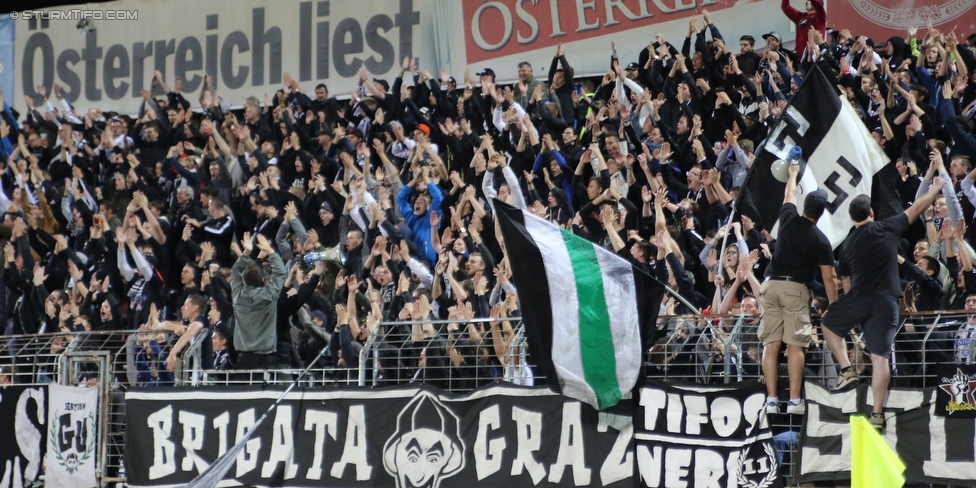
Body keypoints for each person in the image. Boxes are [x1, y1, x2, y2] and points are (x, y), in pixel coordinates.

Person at [821, 179, 944, 431]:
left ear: (852, 218)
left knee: (827, 325)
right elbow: (917, 208)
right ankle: (877, 413)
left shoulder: (846, 245)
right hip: (887, 302)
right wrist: (935, 188)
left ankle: (846, 369)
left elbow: (843, 280)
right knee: (880, 359)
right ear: (872, 213)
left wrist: (849, 309)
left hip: (858, 298)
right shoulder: (886, 227)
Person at [757, 163, 837, 415]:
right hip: (794, 289)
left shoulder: (788, 219)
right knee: (795, 346)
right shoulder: (821, 240)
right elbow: (829, 277)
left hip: (769, 286)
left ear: (804, 208)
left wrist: (792, 174)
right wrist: (833, 306)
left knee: (771, 344)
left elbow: (788, 194)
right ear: (822, 213)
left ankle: (771, 401)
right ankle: (794, 401)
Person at [230, 234, 287, 370]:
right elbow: (280, 272)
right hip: (265, 359)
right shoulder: (269, 295)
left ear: (243, 281)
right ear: (263, 281)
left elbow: (235, 271)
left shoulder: (237, 295)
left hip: (242, 359)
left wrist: (246, 253)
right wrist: (270, 251)